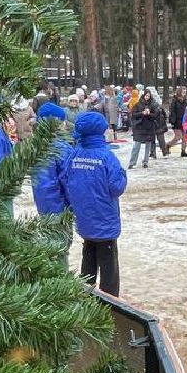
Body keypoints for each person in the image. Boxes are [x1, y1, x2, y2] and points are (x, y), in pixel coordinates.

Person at [59, 111, 127, 294]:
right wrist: (123, 174)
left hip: (84, 218)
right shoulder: (107, 157)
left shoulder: (74, 155)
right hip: (105, 220)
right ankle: (110, 300)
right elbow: (116, 187)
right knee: (109, 265)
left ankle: (85, 294)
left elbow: (65, 179)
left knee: (88, 256)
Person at [31, 101, 72, 217]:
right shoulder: (61, 148)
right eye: (62, 121)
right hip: (60, 206)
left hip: (42, 204)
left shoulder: (34, 145)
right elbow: (68, 179)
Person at [128, 88, 163, 169]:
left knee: (148, 145)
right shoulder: (138, 104)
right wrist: (142, 113)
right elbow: (134, 115)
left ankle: (145, 162)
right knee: (136, 145)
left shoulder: (153, 104)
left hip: (149, 127)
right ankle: (132, 162)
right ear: (143, 95)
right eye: (146, 95)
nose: (147, 97)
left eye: (148, 96)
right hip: (140, 127)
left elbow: (156, 115)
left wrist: (149, 114)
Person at [168, 88, 187, 156]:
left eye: (184, 92)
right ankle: (168, 145)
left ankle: (183, 151)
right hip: (176, 121)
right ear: (179, 93)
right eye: (183, 92)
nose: (184, 93)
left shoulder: (185, 100)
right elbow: (172, 111)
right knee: (178, 137)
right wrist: (172, 121)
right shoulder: (174, 100)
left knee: (185, 138)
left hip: (184, 121)